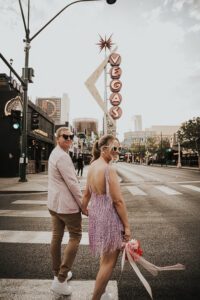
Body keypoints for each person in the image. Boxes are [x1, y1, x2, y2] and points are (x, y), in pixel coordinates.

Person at [82, 134, 131, 300]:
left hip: (96, 215)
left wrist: (84, 207)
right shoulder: (109, 168)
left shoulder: (93, 165)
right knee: (109, 262)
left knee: (105, 257)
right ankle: (95, 298)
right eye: (114, 149)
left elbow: (87, 192)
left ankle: (100, 294)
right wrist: (127, 226)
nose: (117, 152)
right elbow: (118, 201)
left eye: (119, 148)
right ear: (104, 150)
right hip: (109, 217)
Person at [47, 127, 82, 296]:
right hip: (67, 206)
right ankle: (61, 280)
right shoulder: (62, 156)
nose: (69, 138)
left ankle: (58, 274)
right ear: (57, 138)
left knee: (57, 237)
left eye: (71, 136)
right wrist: (83, 204)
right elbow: (72, 183)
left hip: (55, 205)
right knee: (75, 236)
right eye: (65, 136)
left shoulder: (56, 153)